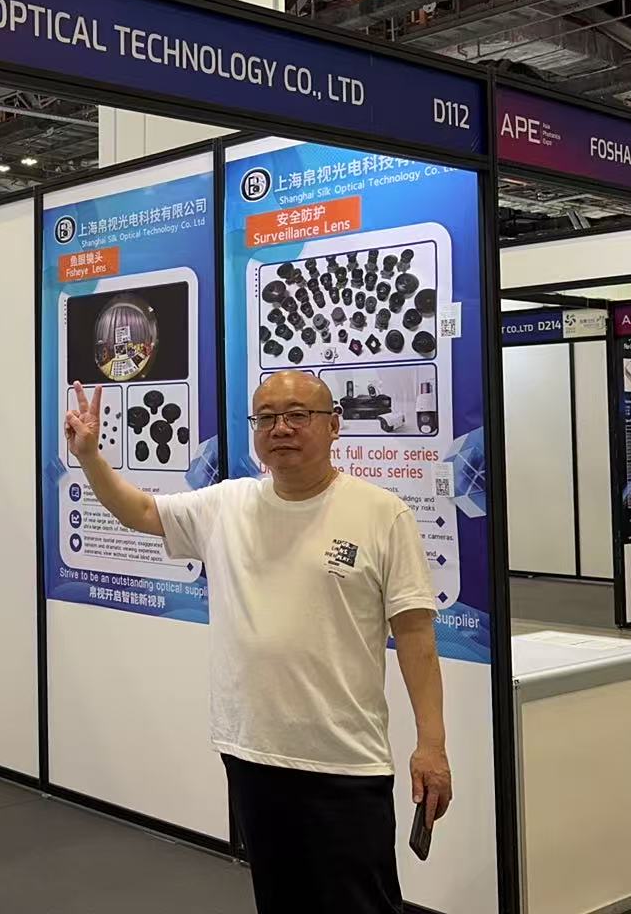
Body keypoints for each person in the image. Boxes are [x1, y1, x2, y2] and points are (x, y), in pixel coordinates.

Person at [63, 371, 450, 914]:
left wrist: (431, 745)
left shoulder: (382, 514)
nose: (281, 428)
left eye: (298, 415)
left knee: (361, 903)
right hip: (253, 751)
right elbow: (141, 511)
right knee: (280, 900)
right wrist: (89, 457)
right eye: (266, 417)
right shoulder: (227, 504)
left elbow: (415, 636)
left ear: (334, 425)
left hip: (344, 759)